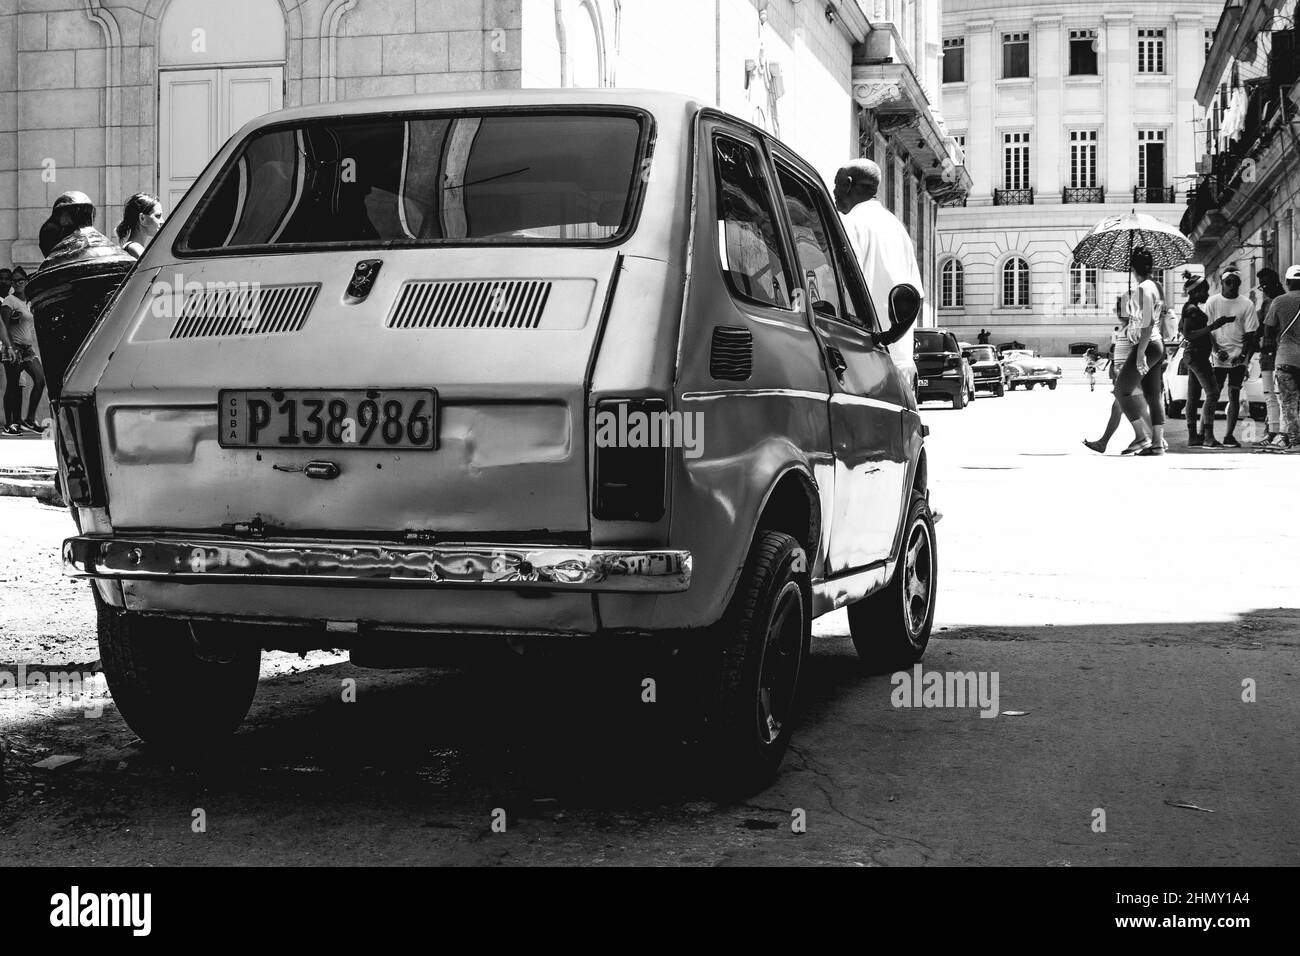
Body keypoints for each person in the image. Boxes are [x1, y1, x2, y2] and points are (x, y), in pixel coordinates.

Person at [833, 158, 925, 380]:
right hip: (900, 361)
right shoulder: (897, 228)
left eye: (836, 185)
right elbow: (916, 295)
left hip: (865, 360)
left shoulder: (850, 223)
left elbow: (840, 288)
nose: (834, 192)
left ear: (848, 183)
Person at [1112, 247, 1166, 456]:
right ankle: (1158, 443)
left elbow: (1147, 322)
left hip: (1147, 344)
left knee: (1121, 391)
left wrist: (1141, 351)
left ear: (1133, 268)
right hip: (1157, 343)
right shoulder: (1157, 286)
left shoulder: (1142, 289)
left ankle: (1141, 437)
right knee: (1153, 396)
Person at [1205, 267, 1259, 447]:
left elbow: (1251, 334)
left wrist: (1243, 355)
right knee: (1213, 395)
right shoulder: (1212, 302)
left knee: (1234, 394)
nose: (1232, 285)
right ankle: (1208, 434)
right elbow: (1208, 330)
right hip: (1218, 357)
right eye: (1228, 282)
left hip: (1238, 358)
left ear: (1239, 283)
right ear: (1222, 283)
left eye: (1235, 282)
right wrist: (1215, 350)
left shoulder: (1247, 304)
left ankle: (1228, 435)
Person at [1179, 273, 1231, 447]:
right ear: (1195, 292)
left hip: (1195, 355)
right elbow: (1188, 334)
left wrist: (1216, 348)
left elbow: (1198, 333)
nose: (1207, 294)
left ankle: (1194, 437)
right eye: (1205, 291)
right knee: (1213, 393)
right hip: (1197, 356)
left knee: (1193, 397)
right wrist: (1213, 326)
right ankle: (1207, 436)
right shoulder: (1191, 310)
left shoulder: (1191, 308)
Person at [1084, 294, 1134, 454]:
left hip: (1131, 377)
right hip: (1125, 376)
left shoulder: (1133, 328)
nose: (1116, 311)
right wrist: (1102, 356)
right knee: (1121, 409)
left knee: (1133, 409)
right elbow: (1121, 353)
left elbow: (1136, 352)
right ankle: (1104, 442)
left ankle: (1149, 439)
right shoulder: (1126, 328)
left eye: (1120, 308)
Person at [1261, 265, 1300, 451]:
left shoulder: (1278, 301)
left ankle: (1295, 442)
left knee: (1289, 403)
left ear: (1288, 282)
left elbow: (1268, 330)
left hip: (1285, 358)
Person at [1, 267, 44, 434]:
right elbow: (3, 326)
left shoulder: (28, 301)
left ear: (26, 281)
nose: (17, 283)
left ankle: (29, 419)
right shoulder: (9, 301)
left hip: (27, 349)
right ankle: (9, 424)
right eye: (14, 281)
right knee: (12, 386)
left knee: (40, 381)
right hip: (13, 349)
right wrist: (10, 348)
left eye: (21, 280)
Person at [1255, 268, 1285, 443]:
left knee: (1281, 395)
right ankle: (1273, 431)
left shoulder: (1282, 302)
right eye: (1261, 286)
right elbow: (1260, 328)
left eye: (1265, 285)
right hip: (1267, 354)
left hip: (1280, 352)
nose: (1264, 289)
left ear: (1277, 283)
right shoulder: (1267, 303)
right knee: (1269, 394)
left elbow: (1267, 329)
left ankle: (1281, 432)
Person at [115, 193, 163, 259]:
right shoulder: (135, 248)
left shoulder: (136, 247)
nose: (162, 221)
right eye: (158, 216)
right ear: (142, 218)